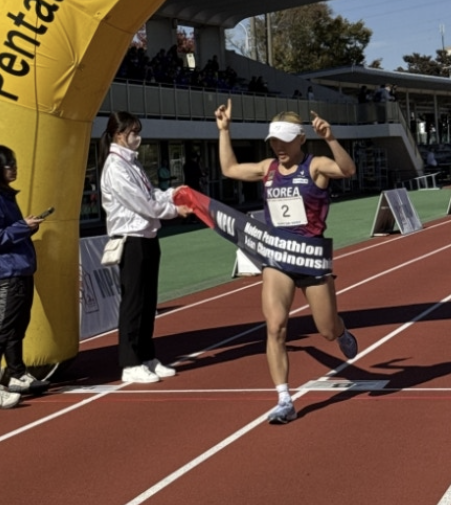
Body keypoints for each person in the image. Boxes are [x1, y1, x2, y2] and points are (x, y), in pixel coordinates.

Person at [214, 99, 358, 425]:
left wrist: (332, 138)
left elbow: (348, 170)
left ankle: (342, 330)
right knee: (276, 327)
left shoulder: (317, 166)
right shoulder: (268, 169)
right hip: (277, 258)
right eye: (273, 142)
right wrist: (224, 131)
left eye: (284, 141)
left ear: (301, 139)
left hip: (310, 258)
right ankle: (283, 399)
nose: (278, 147)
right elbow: (229, 170)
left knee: (326, 330)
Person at [99, 111, 193, 384]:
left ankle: (146, 355)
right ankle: (130, 362)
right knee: (134, 302)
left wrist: (174, 193)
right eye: (133, 132)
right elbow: (144, 205)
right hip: (131, 239)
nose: (137, 137)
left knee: (149, 300)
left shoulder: (133, 164)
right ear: (119, 134)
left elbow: (151, 194)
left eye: (138, 131)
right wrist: (176, 209)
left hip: (148, 237)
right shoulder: (115, 167)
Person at [0, 145, 49, 409]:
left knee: (17, 327)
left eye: (14, 163)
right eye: (8, 164)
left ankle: (17, 374)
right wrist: (22, 227)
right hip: (5, 274)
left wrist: (22, 226)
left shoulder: (3, 197)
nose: (14, 168)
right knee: (1, 329)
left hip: (18, 270)